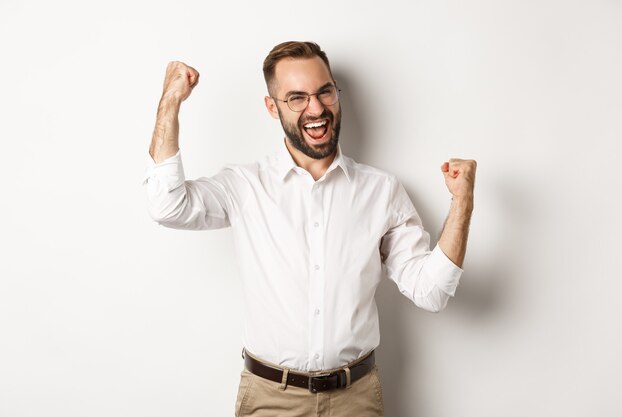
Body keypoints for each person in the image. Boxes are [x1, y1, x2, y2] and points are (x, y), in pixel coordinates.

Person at [143, 41, 476, 417]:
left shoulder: (382, 191)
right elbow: (167, 206)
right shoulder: (245, 186)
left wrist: (462, 202)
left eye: (324, 92)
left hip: (357, 400)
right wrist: (170, 101)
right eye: (296, 98)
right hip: (271, 400)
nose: (316, 109)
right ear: (272, 107)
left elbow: (430, 292)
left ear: (337, 93)